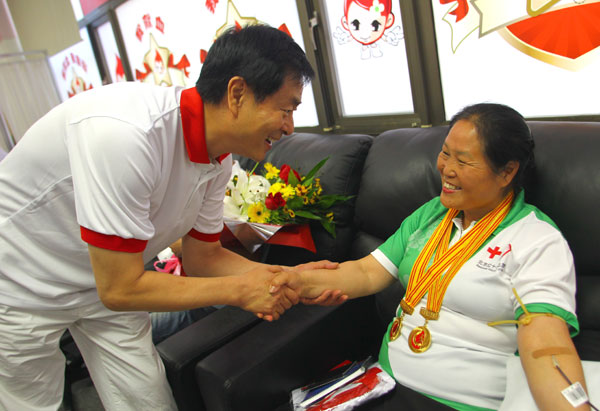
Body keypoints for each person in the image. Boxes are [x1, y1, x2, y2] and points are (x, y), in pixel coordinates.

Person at [0, 24, 329, 410]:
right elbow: (120, 288)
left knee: (148, 399)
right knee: (32, 403)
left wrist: (286, 278)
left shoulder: (218, 162)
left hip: (105, 281)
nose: (289, 127)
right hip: (21, 283)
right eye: (286, 109)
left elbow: (204, 258)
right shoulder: (127, 135)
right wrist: (240, 292)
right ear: (237, 93)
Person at [278, 103, 590, 410]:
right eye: (445, 153)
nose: (446, 169)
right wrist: (289, 282)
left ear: (507, 171)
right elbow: (366, 273)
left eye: (463, 161)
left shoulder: (536, 240)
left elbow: (547, 346)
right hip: (381, 384)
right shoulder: (434, 213)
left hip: (459, 403)